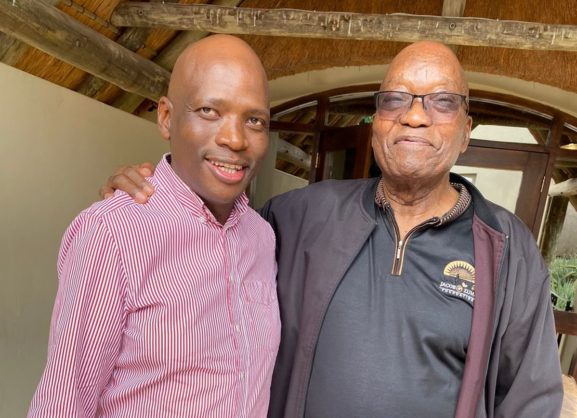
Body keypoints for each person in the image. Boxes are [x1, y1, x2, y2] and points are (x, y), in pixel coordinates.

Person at [100, 41, 562, 417]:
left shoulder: (506, 249)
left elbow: (530, 401)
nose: (415, 116)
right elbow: (210, 237)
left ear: (466, 130)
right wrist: (153, 193)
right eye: (395, 99)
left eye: (443, 102)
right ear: (375, 123)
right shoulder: (301, 216)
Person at [29, 35, 280, 418]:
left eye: (254, 120)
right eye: (209, 111)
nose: (234, 139)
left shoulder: (262, 237)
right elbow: (64, 401)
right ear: (166, 117)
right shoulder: (113, 233)